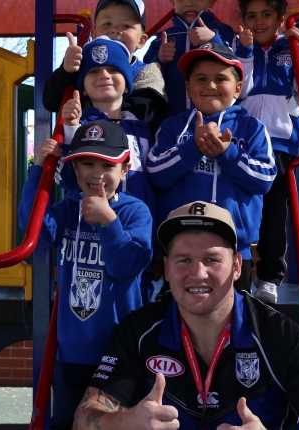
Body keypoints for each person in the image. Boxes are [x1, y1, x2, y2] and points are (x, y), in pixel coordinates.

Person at [72, 201, 299, 430]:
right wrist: (125, 423)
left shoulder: (279, 336)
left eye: (212, 259)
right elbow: (85, 416)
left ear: (238, 267)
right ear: (165, 268)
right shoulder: (137, 331)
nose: (197, 273)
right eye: (184, 259)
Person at [18, 120, 153, 430]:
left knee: (113, 423)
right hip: (72, 346)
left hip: (117, 348)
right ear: (75, 171)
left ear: (125, 168)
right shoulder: (67, 210)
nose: (96, 173)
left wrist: (108, 222)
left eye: (106, 164)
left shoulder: (135, 212)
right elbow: (32, 225)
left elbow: (126, 266)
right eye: (86, 164)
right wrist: (38, 168)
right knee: (66, 420)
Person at [146, 43, 275, 294]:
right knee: (177, 319)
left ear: (238, 88)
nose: (211, 85)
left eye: (220, 79)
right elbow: (155, 172)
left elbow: (265, 178)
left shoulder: (252, 127)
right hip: (180, 246)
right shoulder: (173, 127)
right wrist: (193, 147)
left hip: (234, 247)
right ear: (187, 86)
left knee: (236, 322)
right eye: (201, 78)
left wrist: (227, 153)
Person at [59, 36, 159, 301]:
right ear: (83, 86)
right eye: (93, 71)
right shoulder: (80, 126)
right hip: (89, 244)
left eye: (114, 70)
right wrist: (70, 130)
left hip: (135, 233)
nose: (104, 75)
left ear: (127, 83)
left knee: (138, 305)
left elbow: (154, 184)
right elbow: (69, 179)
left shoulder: (143, 129)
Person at [235, 0, 299, 304]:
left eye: (267, 15)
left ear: (281, 18)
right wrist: (244, 54)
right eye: (252, 16)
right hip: (245, 141)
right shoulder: (240, 47)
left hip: (281, 142)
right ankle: (240, 272)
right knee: (241, 209)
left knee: (274, 212)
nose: (259, 22)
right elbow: (239, 89)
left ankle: (269, 277)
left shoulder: (291, 47)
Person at [42, 0, 167, 133]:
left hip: (131, 146)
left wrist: (99, 99)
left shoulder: (148, 71)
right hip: (82, 144)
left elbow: (146, 112)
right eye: (107, 24)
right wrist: (66, 71)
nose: (115, 30)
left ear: (141, 40)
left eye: (126, 25)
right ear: (94, 34)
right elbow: (50, 102)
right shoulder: (82, 67)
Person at [143, 0, 234, 118]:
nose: (189, 3)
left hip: (214, 120)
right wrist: (159, 59)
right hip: (170, 120)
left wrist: (214, 40)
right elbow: (144, 77)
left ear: (211, 2)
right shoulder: (161, 38)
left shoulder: (223, 31)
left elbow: (236, 67)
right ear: (173, 2)